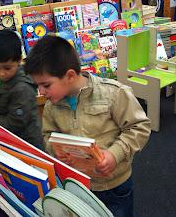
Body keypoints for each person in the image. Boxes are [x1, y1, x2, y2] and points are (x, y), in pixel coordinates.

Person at [24, 35, 151, 217]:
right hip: (76, 184)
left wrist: (114, 155)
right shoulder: (52, 104)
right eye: (38, 86)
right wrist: (55, 149)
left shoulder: (113, 93)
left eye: (45, 85)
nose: (41, 92)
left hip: (113, 184)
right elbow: (47, 134)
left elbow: (139, 127)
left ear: (69, 76)